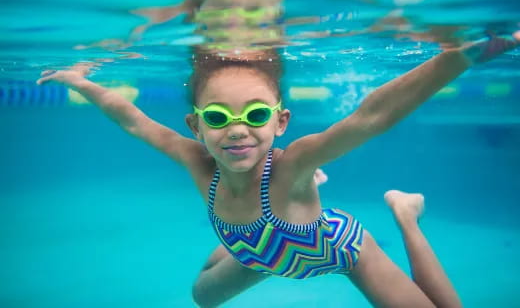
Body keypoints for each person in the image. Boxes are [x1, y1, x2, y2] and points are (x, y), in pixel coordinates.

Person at [37, 20, 519, 307]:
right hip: (260, 253)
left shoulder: (292, 165)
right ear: (196, 125)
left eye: (257, 114)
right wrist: (81, 81)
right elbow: (136, 121)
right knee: (202, 298)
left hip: (339, 250)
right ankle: (251, 249)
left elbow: (371, 116)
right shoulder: (197, 161)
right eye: (219, 117)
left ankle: (405, 214)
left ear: (281, 120)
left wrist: (459, 58)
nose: (238, 129)